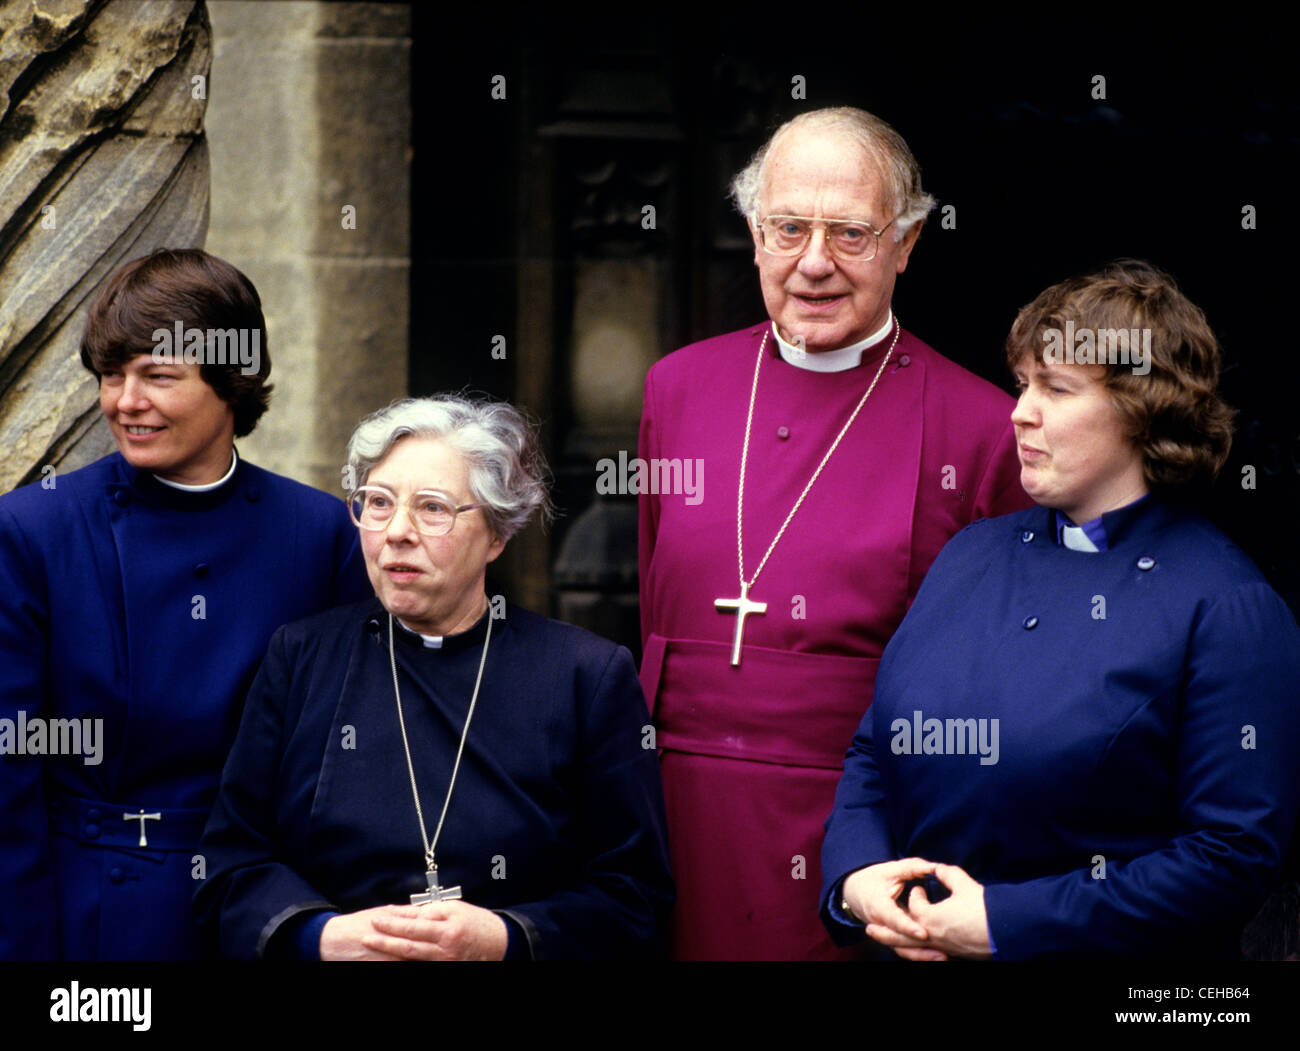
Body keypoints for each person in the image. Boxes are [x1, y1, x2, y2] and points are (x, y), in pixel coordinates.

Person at [637, 106, 1032, 959]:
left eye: (850, 233)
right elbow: (655, 602)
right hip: (674, 810)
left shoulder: (984, 427)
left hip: (864, 827)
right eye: (788, 228)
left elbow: (1002, 683)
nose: (813, 262)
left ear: (908, 242)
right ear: (753, 232)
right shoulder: (677, 388)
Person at [821, 260, 1300, 959]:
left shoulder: (1228, 607)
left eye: (1056, 387)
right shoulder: (969, 554)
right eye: (1023, 383)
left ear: (1142, 409)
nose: (1020, 410)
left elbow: (1230, 857)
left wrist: (1007, 922)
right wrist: (857, 877)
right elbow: (875, 748)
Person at [194, 396, 674, 960]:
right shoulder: (300, 658)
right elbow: (229, 866)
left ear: (496, 534)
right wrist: (321, 937)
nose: (397, 531)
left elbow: (634, 896)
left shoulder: (584, 677)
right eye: (377, 503)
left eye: (433, 508)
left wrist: (503, 938)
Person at [0, 248, 370, 960]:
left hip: (267, 916)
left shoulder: (323, 534)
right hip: (89, 919)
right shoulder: (32, 529)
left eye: (158, 376)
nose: (124, 401)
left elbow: (345, 765)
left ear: (231, 381)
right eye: (112, 375)